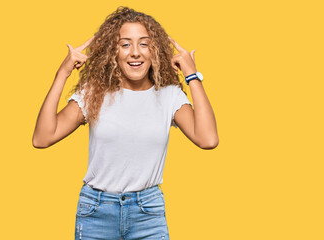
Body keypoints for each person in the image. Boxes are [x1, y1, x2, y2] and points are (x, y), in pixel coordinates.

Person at [32, 6, 218, 240]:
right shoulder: (94, 94)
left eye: (144, 43)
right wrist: (63, 73)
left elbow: (208, 139)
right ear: (113, 52)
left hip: (147, 212)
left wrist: (192, 75)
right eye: (125, 44)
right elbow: (42, 138)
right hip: (96, 212)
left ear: (155, 50)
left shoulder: (170, 96)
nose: (135, 53)